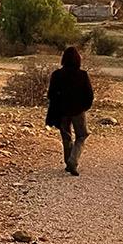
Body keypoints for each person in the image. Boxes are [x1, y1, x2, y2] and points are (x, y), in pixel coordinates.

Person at [45, 46, 94, 176]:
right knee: (82, 135)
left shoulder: (56, 74)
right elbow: (89, 94)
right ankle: (73, 161)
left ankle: (69, 162)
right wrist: (84, 107)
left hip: (61, 111)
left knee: (66, 137)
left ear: (63, 59)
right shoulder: (82, 75)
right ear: (78, 59)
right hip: (78, 111)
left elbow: (51, 94)